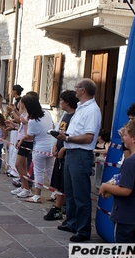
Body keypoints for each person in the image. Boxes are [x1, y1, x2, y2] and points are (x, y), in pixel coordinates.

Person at [54, 78, 101, 242]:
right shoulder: (81, 108)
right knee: (71, 191)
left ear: (83, 90)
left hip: (81, 154)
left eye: (77, 87)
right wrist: (66, 140)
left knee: (81, 194)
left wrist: (67, 138)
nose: (75, 89)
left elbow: (88, 137)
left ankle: (83, 230)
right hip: (72, 152)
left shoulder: (92, 110)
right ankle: (72, 222)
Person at [99, 119, 135, 244]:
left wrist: (106, 186)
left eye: (126, 135)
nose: (123, 137)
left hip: (125, 215)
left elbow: (126, 190)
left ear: (134, 139)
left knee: (124, 254)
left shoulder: (131, 161)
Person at [44, 90, 78, 220]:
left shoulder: (75, 117)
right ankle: (58, 207)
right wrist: (55, 145)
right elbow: (60, 131)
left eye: (62, 100)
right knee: (58, 181)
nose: (60, 103)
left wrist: (63, 148)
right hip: (59, 152)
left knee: (64, 182)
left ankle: (60, 207)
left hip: (66, 153)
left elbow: (72, 135)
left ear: (67, 102)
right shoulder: (65, 115)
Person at [20, 96, 54, 203]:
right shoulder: (47, 114)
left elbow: (30, 136)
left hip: (40, 147)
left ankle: (37, 196)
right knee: (50, 170)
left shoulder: (32, 121)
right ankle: (55, 192)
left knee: (38, 171)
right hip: (51, 146)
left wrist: (22, 137)